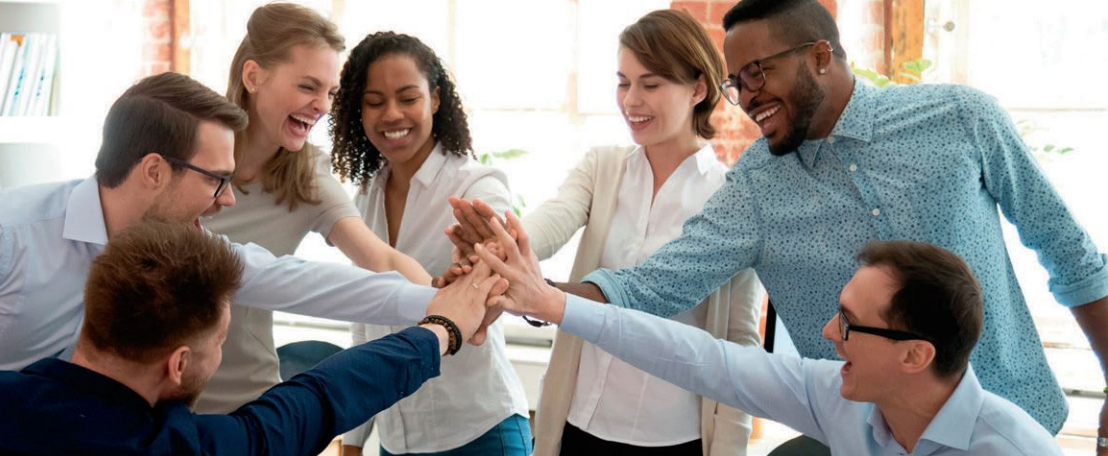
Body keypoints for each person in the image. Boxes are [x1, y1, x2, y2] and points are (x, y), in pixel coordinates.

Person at [447, 0, 1108, 442]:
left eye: (758, 72)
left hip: (1016, 425)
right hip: (865, 441)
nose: (746, 96)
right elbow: (653, 285)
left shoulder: (962, 119)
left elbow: (1071, 255)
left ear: (821, 56)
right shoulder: (756, 184)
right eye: (737, 81)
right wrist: (537, 295)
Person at [0, 71, 477, 412]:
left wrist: (439, 303)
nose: (227, 200)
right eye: (217, 180)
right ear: (154, 171)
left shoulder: (176, 251)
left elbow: (305, 284)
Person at [0, 219, 506, 456]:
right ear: (179, 363)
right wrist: (443, 329)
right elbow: (317, 398)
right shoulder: (181, 449)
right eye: (220, 341)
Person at [474, 213, 1063, 455]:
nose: (829, 333)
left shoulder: (1013, 447)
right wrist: (555, 304)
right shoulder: (838, 396)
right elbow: (698, 358)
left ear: (915, 354)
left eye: (851, 325)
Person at [450, 10, 761, 456]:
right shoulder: (603, 167)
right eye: (623, 82)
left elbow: (740, 345)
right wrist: (498, 248)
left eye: (650, 84)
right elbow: (551, 222)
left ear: (698, 88)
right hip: (580, 424)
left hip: (674, 437)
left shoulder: (729, 198)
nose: (631, 100)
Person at [198, 2, 437, 414]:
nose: (322, 106)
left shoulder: (306, 174)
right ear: (253, 76)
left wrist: (443, 306)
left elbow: (380, 257)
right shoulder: (188, 150)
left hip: (247, 407)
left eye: (330, 92)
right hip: (159, 403)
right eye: (308, 87)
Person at [329, 31, 530, 456]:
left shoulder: (477, 185)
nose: (392, 114)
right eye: (375, 101)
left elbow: (499, 272)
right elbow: (364, 321)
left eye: (408, 97)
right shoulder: (364, 196)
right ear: (357, 110)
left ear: (435, 99)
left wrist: (483, 267)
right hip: (398, 439)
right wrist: (352, 439)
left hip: (479, 431)